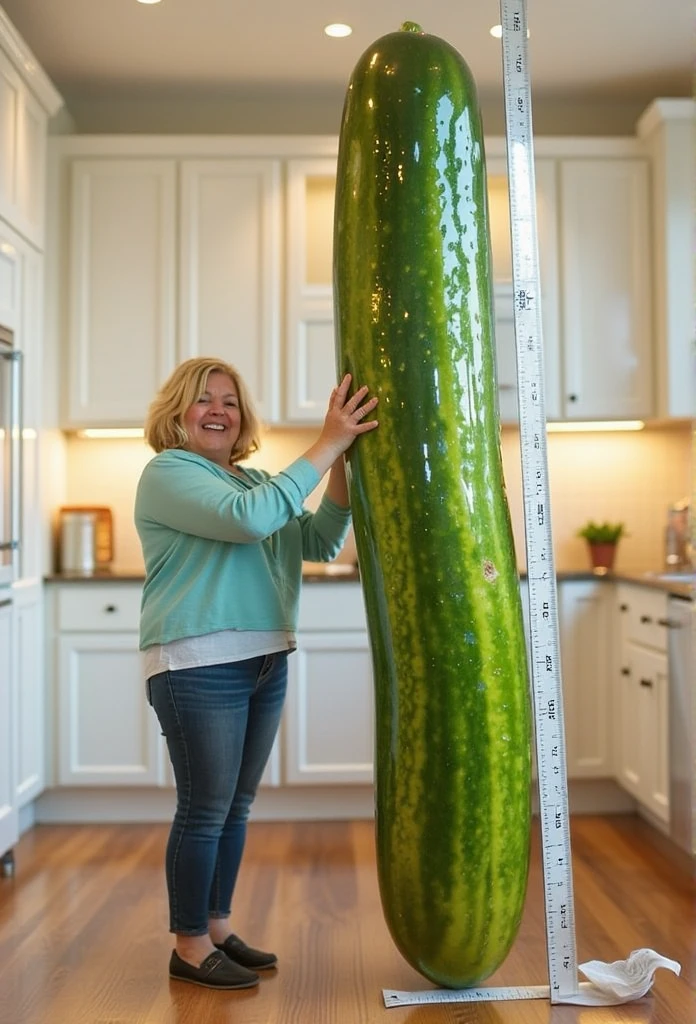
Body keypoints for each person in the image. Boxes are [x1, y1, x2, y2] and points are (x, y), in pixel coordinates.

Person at [135, 356, 378, 991]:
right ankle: (187, 946)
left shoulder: (257, 479)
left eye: (231, 401)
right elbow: (250, 523)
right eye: (204, 399)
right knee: (206, 807)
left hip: (266, 656)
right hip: (198, 660)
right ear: (176, 414)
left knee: (235, 806)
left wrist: (344, 462)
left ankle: (215, 927)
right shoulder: (169, 473)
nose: (219, 410)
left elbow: (321, 540)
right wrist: (327, 442)